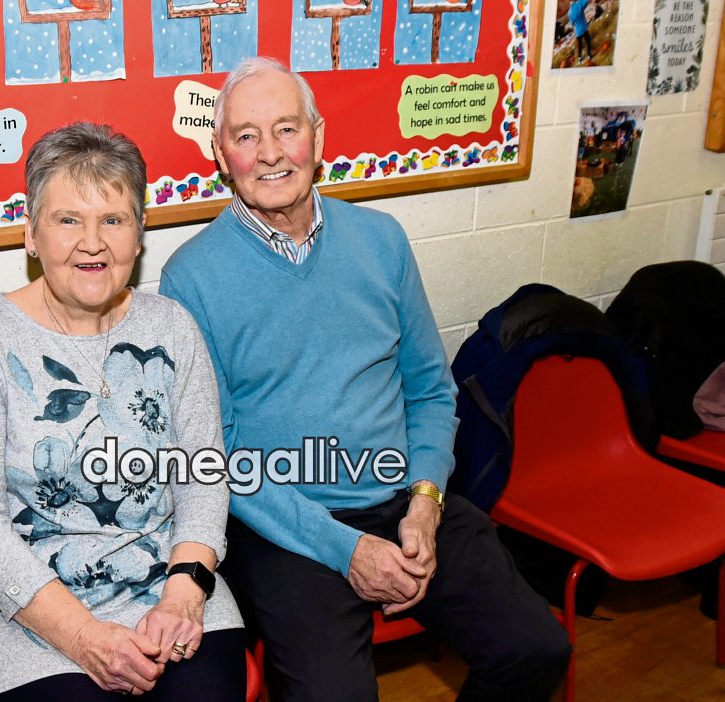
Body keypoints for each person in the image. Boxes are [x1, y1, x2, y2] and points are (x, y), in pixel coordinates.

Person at [160, 57, 571, 702]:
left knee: (538, 648)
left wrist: (426, 503)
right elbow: (217, 457)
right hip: (286, 524)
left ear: (318, 137)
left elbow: (431, 391)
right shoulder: (191, 278)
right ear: (220, 153)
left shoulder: (381, 241)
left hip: (404, 498)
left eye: (286, 128)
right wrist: (344, 548)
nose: (270, 153)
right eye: (245, 136)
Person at [0, 122, 244, 701]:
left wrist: (184, 594)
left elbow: (204, 480)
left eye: (113, 220)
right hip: (24, 617)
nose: (93, 242)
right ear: (31, 235)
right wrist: (83, 638)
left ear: (139, 234)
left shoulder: (172, 328)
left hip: (167, 591)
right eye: (68, 220)